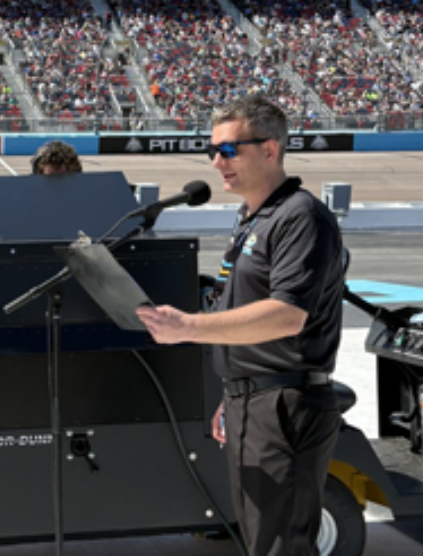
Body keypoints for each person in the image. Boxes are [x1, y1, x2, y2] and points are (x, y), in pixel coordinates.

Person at [136, 95, 345, 556]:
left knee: (280, 546)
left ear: (270, 150)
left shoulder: (300, 216)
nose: (217, 162)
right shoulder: (253, 217)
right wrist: (234, 391)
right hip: (252, 400)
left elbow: (287, 315)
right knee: (260, 540)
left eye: (229, 150)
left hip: (284, 407)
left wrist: (189, 326)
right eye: (212, 150)